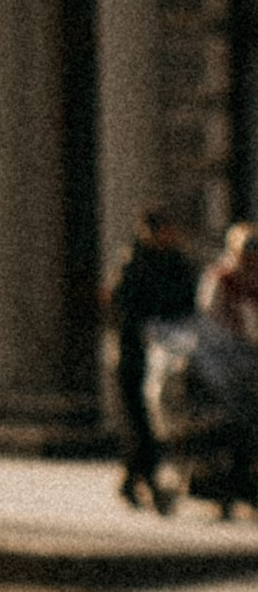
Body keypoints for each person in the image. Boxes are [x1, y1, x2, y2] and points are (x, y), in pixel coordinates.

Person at [104, 203, 198, 509]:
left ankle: (133, 481)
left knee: (153, 424)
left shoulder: (177, 262)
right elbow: (120, 307)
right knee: (139, 424)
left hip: (170, 350)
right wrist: (142, 330)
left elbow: (188, 301)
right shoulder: (133, 262)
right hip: (132, 354)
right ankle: (149, 483)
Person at [196, 217, 258, 516]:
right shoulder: (221, 277)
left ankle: (244, 487)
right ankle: (226, 490)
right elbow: (210, 318)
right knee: (231, 425)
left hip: (250, 361)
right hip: (224, 362)